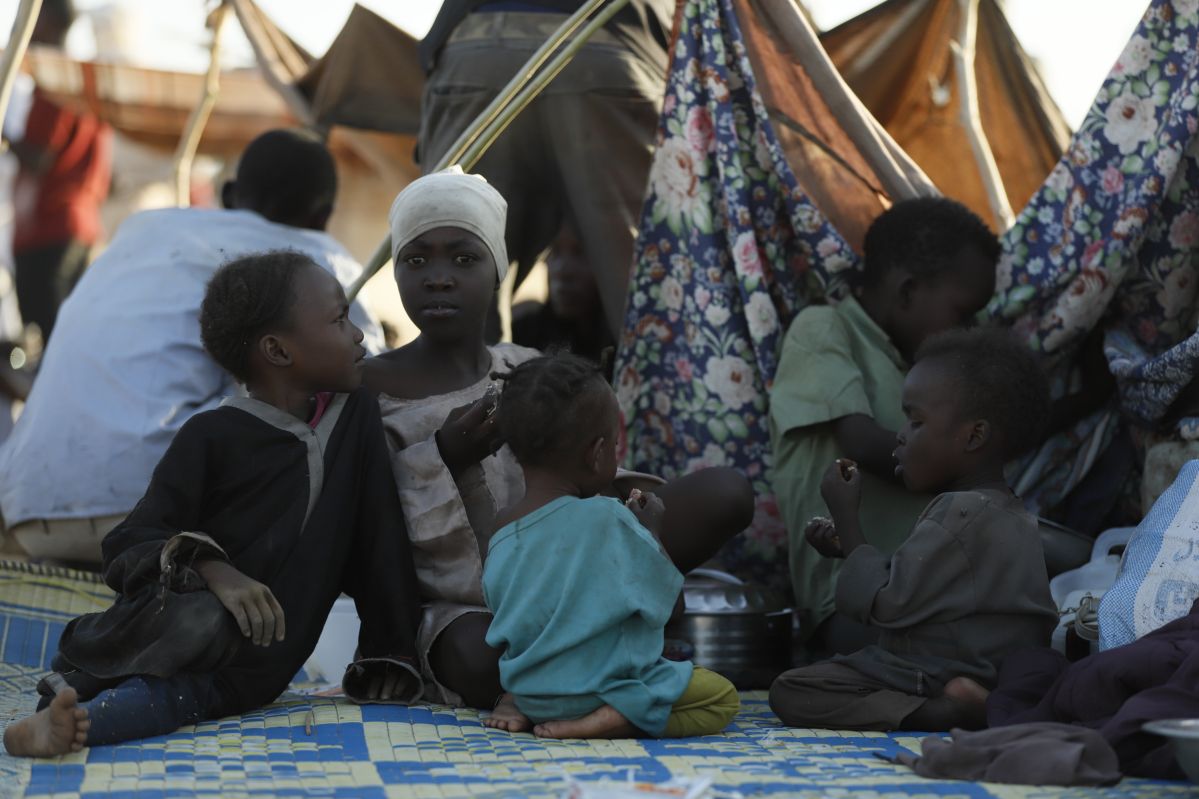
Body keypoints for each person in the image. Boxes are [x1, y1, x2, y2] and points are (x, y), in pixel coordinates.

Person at [2, 252, 421, 757]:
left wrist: (388, 652)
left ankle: (72, 719)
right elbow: (128, 543)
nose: (357, 334)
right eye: (338, 319)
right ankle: (58, 714)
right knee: (195, 621)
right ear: (277, 350)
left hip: (254, 664)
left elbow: (380, 535)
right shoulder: (211, 436)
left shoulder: (356, 417)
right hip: (178, 629)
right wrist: (213, 568)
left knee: (177, 693)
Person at [364, 168, 754, 711]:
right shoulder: (369, 389)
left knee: (726, 493)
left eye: (463, 257)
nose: (438, 277)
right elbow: (369, 525)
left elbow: (589, 476)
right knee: (481, 661)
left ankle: (600, 647)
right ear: (397, 271)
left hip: (579, 572)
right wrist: (445, 459)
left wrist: (639, 524)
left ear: (498, 271)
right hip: (466, 603)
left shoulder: (524, 367)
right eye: (416, 259)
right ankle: (617, 658)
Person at [0, 129, 383, 566]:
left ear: (230, 194)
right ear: (323, 216)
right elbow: (365, 369)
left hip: (28, 507)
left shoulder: (141, 231)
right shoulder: (313, 259)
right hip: (153, 511)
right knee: (336, 405)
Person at [768, 328, 1059, 732]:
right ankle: (971, 703)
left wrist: (848, 517)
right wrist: (846, 547)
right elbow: (926, 589)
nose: (901, 434)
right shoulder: (1005, 510)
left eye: (916, 421)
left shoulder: (959, 512)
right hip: (995, 671)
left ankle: (945, 712)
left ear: (973, 435)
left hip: (939, 670)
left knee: (792, 689)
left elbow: (889, 603)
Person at [768, 197, 999, 655]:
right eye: (964, 312)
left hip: (928, 596)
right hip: (849, 605)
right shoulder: (823, 330)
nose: (972, 330)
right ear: (908, 290)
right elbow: (860, 444)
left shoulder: (919, 366)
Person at [481, 353, 739, 739]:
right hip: (602, 691)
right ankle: (611, 719)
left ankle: (516, 703)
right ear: (597, 452)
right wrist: (651, 530)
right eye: (615, 445)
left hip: (534, 694)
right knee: (722, 699)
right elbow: (672, 608)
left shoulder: (501, 528)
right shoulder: (608, 517)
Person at [418, 0, 672, 340]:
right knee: (644, 295)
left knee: (459, 276)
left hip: (474, 45)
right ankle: (658, 385)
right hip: (616, 45)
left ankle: (462, 387)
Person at [9, 0, 112, 340]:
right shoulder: (85, 84)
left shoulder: (55, 87)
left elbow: (41, 158)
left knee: (46, 338)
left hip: (49, 226)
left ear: (47, 23)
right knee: (66, 334)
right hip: (78, 225)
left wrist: (6, 137)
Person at [511, 223, 614, 373]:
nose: (562, 270)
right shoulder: (522, 339)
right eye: (555, 251)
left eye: (580, 252)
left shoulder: (623, 342)